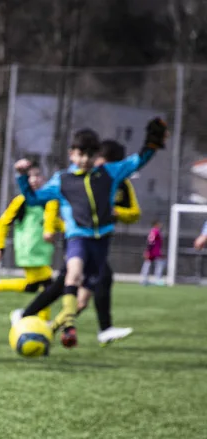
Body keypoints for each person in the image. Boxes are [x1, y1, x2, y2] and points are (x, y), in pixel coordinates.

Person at [14, 119, 166, 348]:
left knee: (84, 297)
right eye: (80, 154)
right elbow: (35, 199)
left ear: (97, 156)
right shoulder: (63, 180)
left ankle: (51, 331)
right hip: (78, 237)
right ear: (71, 154)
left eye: (90, 155)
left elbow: (137, 162)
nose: (85, 160)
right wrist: (22, 177)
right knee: (72, 274)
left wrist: (152, 144)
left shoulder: (109, 173)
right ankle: (68, 325)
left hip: (101, 241)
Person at [0, 164, 60, 320]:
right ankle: (36, 319)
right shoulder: (21, 201)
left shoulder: (49, 201)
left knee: (33, 286)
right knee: (49, 286)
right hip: (28, 250)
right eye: (31, 176)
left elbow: (54, 222)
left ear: (44, 179)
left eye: (38, 176)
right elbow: (3, 222)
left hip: (43, 251)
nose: (34, 180)